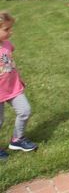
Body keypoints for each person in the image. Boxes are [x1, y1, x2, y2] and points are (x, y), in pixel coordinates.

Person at [0, 11, 38, 161]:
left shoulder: (7, 45)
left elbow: (10, 64)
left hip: (13, 88)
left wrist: (19, 79)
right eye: (6, 29)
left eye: (10, 28)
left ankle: (17, 139)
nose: (11, 32)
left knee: (25, 111)